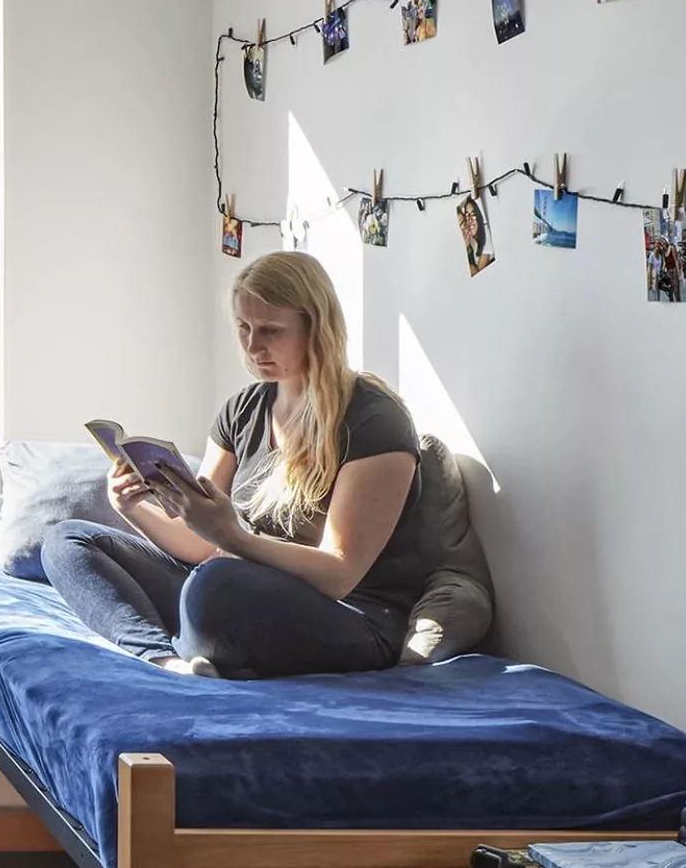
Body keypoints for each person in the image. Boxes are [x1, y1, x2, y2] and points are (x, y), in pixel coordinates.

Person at [41, 251, 428, 680]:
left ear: (316, 329)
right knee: (67, 540)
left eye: (270, 331)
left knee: (216, 587)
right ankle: (168, 660)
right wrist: (132, 508)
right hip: (233, 583)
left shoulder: (374, 420)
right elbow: (201, 544)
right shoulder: (243, 410)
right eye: (243, 328)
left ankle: (202, 644)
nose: (252, 346)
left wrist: (233, 537)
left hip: (348, 616)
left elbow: (340, 574)